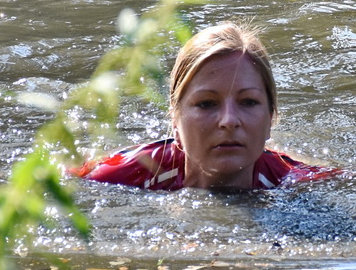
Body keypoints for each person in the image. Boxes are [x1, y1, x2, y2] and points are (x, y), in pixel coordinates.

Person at [72, 22, 341, 192]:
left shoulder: (300, 181)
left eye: (248, 102)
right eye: (206, 103)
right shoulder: (114, 176)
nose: (229, 121)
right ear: (175, 119)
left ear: (270, 118)